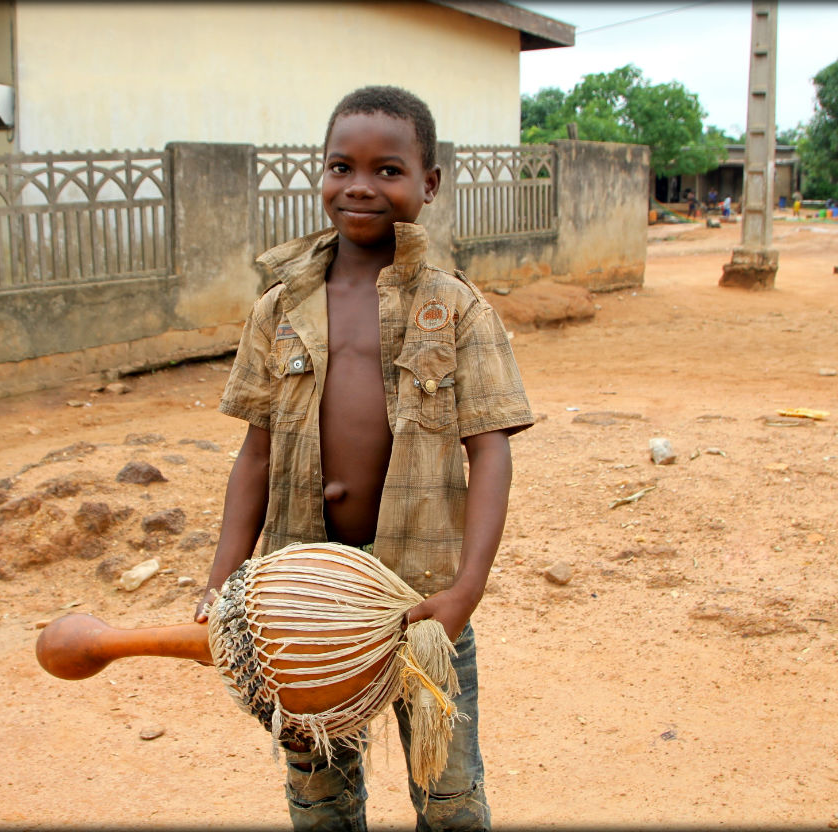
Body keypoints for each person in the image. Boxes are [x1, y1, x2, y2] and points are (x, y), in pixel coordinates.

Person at [195, 85, 533, 831]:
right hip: (299, 604)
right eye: (341, 166)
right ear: (321, 175)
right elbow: (255, 455)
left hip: (422, 604)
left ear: (429, 184)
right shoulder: (277, 308)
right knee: (319, 797)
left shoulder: (458, 309)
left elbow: (492, 452)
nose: (360, 187)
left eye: (388, 170)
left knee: (449, 797)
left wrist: (466, 591)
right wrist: (222, 583)